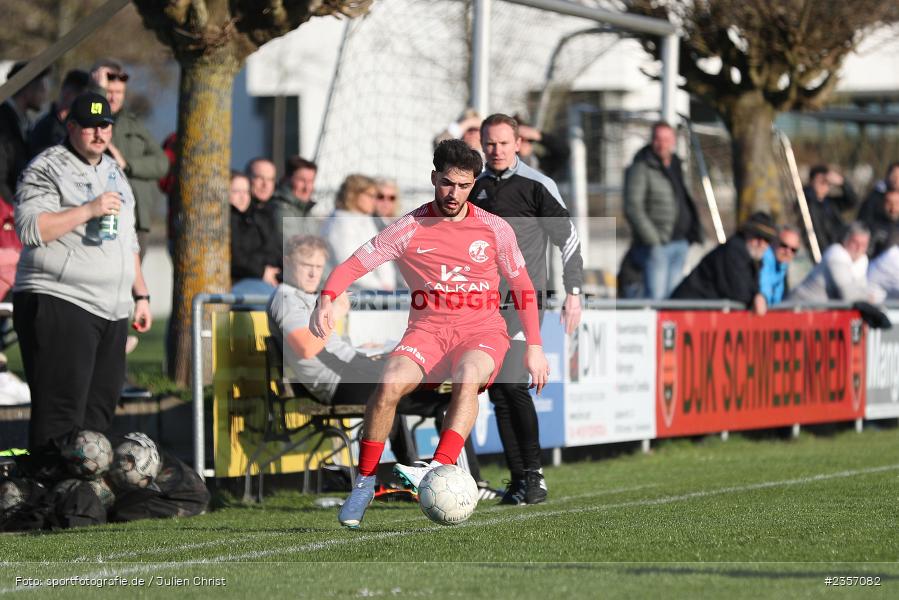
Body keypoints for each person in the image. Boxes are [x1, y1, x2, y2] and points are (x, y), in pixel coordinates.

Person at [310, 139, 549, 528]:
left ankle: (437, 468)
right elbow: (354, 265)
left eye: (464, 186)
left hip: (481, 330)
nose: (454, 193)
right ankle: (364, 483)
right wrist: (326, 298)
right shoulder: (408, 228)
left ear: (473, 185)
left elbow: (523, 287)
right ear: (434, 178)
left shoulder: (494, 228)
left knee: (467, 377)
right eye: (447, 183)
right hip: (428, 331)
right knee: (388, 384)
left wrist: (535, 346)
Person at [12, 92, 152, 469]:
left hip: (112, 308)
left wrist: (141, 294)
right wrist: (88, 210)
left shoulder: (114, 171)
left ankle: (84, 492)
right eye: (89, 126)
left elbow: (128, 238)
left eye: (105, 125)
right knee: (60, 413)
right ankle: (49, 489)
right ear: (71, 126)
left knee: (99, 412)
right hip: (60, 298)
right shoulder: (47, 167)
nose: (98, 132)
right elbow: (31, 229)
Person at [470, 113, 584, 505]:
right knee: (499, 392)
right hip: (485, 305)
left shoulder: (538, 185)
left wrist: (574, 291)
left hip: (525, 301)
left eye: (504, 143)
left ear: (518, 143)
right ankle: (519, 480)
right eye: (490, 143)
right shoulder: (474, 187)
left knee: (513, 385)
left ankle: (535, 477)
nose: (496, 150)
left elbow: (568, 239)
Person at [91, 59, 169, 260]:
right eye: (109, 91)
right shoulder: (90, 118)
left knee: (134, 275)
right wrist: (98, 92)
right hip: (102, 216)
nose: (113, 97)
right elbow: (93, 121)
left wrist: (128, 165)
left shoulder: (133, 123)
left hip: (137, 218)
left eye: (119, 92)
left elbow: (162, 163)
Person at [624, 121, 703, 300]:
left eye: (666, 139)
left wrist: (691, 233)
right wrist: (654, 240)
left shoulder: (677, 165)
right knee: (656, 299)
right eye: (658, 139)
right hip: (658, 246)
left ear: (673, 140)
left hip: (680, 243)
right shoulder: (641, 167)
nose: (662, 144)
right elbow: (633, 207)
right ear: (652, 141)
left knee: (674, 299)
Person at [671, 212, 777, 315]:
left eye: (767, 240)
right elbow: (739, 293)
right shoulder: (734, 251)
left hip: (699, 312)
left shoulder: (752, 257)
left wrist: (760, 296)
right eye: (758, 237)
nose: (762, 243)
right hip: (686, 311)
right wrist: (757, 298)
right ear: (746, 233)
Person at [321, 174, 397, 292]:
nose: (374, 201)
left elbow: (381, 254)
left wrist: (387, 284)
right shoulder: (340, 223)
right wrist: (380, 287)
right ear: (353, 195)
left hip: (377, 291)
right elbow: (348, 264)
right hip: (352, 293)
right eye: (370, 196)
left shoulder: (365, 220)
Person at [789, 222, 883, 303]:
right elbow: (849, 296)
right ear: (845, 240)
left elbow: (861, 291)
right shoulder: (836, 255)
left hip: (816, 313)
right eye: (855, 243)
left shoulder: (861, 262)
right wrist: (871, 298)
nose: (859, 248)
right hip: (796, 309)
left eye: (863, 244)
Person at [0, 61, 50, 204]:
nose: (45, 94)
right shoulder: (3, 122)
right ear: (27, 89)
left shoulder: (23, 122)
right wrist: (14, 208)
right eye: (41, 87)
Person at [229, 171, 280, 295]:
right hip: (240, 282)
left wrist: (274, 272)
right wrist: (262, 271)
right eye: (236, 192)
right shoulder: (228, 220)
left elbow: (273, 249)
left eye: (246, 192)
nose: (243, 197)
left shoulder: (257, 217)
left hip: (265, 278)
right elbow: (236, 258)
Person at [28, 69, 92, 158]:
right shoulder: (45, 126)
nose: (68, 95)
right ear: (64, 90)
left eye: (78, 93)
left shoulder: (77, 125)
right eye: (70, 91)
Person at [803, 164, 857, 254]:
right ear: (811, 181)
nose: (823, 184)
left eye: (826, 182)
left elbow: (853, 201)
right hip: (818, 250)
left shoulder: (832, 204)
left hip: (837, 249)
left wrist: (842, 182)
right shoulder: (806, 202)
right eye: (820, 181)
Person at [270, 156, 318, 249]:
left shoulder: (306, 210)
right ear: (286, 179)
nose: (307, 188)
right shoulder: (280, 209)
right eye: (302, 180)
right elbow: (293, 249)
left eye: (311, 181)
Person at [758, 225, 802, 305]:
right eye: (784, 245)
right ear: (774, 242)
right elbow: (764, 288)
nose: (788, 252)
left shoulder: (783, 267)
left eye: (793, 250)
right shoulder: (763, 259)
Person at [862, 189, 899, 258]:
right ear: (883, 204)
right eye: (889, 203)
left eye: (897, 203)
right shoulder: (871, 225)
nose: (893, 208)